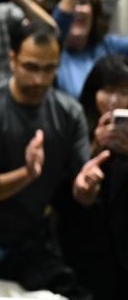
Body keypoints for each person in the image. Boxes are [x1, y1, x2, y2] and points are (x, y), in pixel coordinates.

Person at [0, 21, 90, 298]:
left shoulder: (69, 113)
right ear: (12, 60)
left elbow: (83, 188)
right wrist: (26, 174)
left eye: (49, 69)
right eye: (31, 67)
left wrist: (88, 186)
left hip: (26, 243)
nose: (40, 80)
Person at [60, 55, 128, 300]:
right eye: (107, 91)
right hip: (86, 245)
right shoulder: (76, 124)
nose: (114, 101)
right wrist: (94, 148)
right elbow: (63, 191)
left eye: (123, 92)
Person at [46, 0, 128, 98]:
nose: (78, 10)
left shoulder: (110, 45)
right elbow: (52, 32)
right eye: (72, 3)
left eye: (83, 2)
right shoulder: (51, 53)